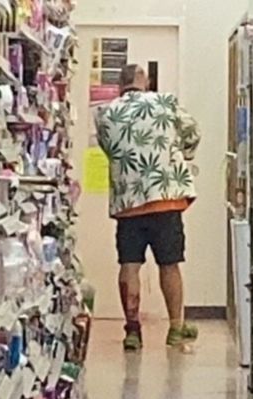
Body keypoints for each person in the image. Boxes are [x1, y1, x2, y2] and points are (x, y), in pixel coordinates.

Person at [94, 64, 201, 350]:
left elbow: (110, 150)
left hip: (128, 204)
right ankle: (176, 328)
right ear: (146, 82)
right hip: (165, 197)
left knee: (129, 265)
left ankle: (132, 331)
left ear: (120, 85)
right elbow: (192, 133)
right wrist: (176, 153)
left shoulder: (105, 113)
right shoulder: (164, 102)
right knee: (170, 264)